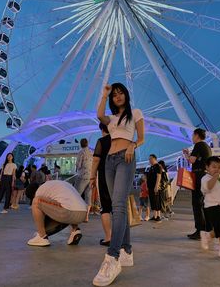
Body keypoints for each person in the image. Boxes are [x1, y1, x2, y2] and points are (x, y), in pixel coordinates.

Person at [93, 83, 145, 287]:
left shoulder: (136, 113)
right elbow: (99, 115)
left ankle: (112, 257)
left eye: (120, 92)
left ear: (126, 94)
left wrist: (132, 145)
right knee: (118, 207)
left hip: (125, 157)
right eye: (114, 95)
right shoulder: (112, 119)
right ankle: (127, 251)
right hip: (109, 161)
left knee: (119, 206)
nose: (118, 96)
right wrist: (104, 94)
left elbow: (141, 138)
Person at [26, 180, 87, 247]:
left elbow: (43, 215)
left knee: (36, 202)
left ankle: (42, 237)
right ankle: (75, 230)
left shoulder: (39, 191)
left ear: (33, 193)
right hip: (83, 213)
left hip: (68, 213)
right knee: (65, 202)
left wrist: (42, 228)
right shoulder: (54, 184)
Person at [183, 128, 212, 240]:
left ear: (196, 135)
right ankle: (208, 228)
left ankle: (200, 230)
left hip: (199, 176)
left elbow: (192, 160)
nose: (192, 137)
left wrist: (186, 155)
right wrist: (188, 155)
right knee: (204, 203)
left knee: (197, 203)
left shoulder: (198, 145)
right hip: (205, 176)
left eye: (193, 135)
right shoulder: (207, 146)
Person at [90, 123, 112, 246]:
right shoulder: (118, 141)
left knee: (106, 207)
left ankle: (109, 237)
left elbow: (96, 159)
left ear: (102, 129)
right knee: (119, 208)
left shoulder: (102, 141)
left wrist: (92, 176)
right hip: (117, 177)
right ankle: (121, 238)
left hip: (104, 176)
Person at [201, 156, 220, 258]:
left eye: (219, 167)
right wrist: (215, 177)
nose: (217, 169)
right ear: (207, 167)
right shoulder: (205, 178)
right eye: (214, 167)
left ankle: (208, 235)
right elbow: (208, 188)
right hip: (212, 207)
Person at [74, 138, 93, 222]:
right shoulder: (91, 152)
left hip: (82, 176)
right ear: (87, 144)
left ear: (81, 144)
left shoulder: (81, 152)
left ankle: (76, 215)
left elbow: (78, 165)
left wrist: (77, 168)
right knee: (88, 197)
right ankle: (86, 217)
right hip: (90, 177)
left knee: (76, 195)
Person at [147, 154, 162, 223]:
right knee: (153, 200)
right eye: (149, 159)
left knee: (156, 200)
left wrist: (156, 186)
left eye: (150, 159)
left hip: (155, 187)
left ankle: (158, 216)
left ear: (154, 158)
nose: (149, 160)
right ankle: (154, 216)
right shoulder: (151, 167)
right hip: (150, 187)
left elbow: (159, 176)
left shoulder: (158, 166)